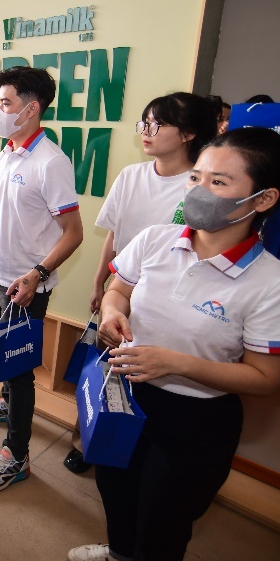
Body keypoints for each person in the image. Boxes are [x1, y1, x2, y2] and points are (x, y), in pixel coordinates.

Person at [68, 127, 280, 561]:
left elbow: (266, 378)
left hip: (195, 419)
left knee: (163, 520)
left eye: (219, 182)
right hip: (125, 392)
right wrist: (110, 314)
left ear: (263, 199)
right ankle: (119, 553)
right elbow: (118, 289)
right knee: (114, 486)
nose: (199, 190)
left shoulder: (275, 284)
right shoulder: (155, 240)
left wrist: (176, 364)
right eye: (196, 177)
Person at [64, 92, 218, 475]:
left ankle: (129, 449)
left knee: (144, 375)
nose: (146, 132)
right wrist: (101, 281)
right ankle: (87, 439)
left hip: (162, 297)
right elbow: (115, 236)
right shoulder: (132, 175)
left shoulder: (199, 186)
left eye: (156, 124)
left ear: (187, 134)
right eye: (143, 124)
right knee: (104, 366)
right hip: (121, 286)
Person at [0, 66, 84, 492]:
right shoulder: (7, 150)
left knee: (19, 372)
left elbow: (73, 234)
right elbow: (3, 216)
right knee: (1, 359)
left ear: (32, 109)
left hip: (27, 286)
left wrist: (36, 275)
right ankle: (6, 404)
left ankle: (16, 456)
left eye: (5, 103)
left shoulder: (50, 162)